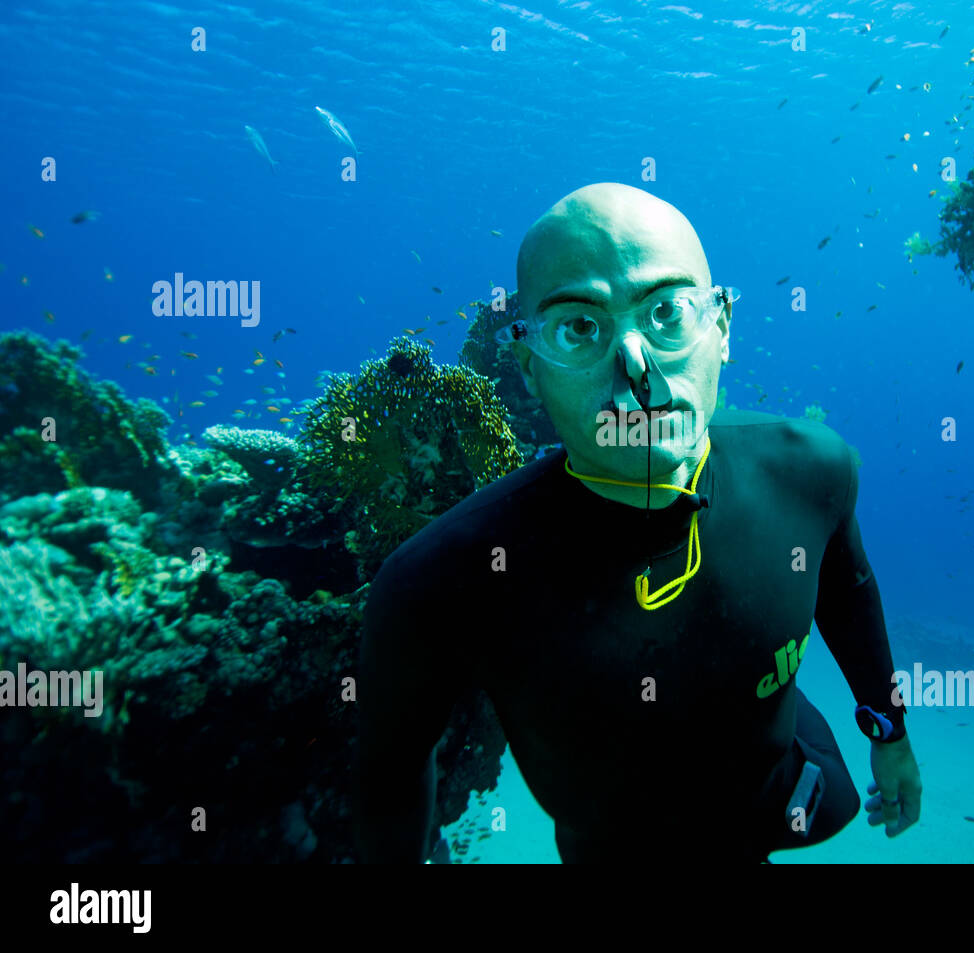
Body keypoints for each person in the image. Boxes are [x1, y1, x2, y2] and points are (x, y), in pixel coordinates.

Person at [355, 182, 921, 863]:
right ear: (528, 365)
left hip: (786, 793)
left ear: (723, 328)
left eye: (669, 311)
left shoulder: (813, 471)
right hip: (611, 846)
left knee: (825, 792)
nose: (636, 365)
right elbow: (391, 775)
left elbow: (848, 591)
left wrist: (890, 736)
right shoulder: (438, 579)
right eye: (579, 327)